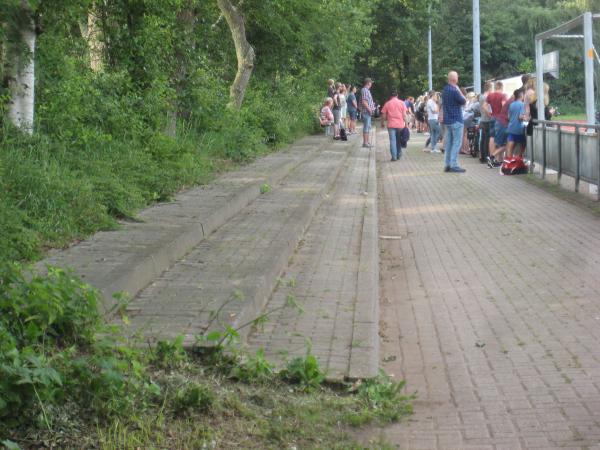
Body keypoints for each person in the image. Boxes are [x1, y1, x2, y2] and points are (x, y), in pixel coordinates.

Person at [441, 71, 467, 173]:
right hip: (456, 120)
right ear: (455, 79)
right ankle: (454, 165)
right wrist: (459, 90)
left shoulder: (445, 90)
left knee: (449, 144)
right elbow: (464, 101)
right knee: (456, 143)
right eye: (457, 77)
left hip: (448, 120)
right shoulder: (454, 90)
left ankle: (447, 165)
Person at [381, 90, 408, 161]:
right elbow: (404, 115)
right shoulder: (402, 103)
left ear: (390, 96)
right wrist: (406, 124)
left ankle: (394, 157)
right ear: (397, 95)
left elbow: (383, 115)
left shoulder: (387, 103)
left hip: (391, 125)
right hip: (400, 125)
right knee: (398, 140)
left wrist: (382, 123)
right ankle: (398, 154)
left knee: (392, 141)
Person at [486, 81, 506, 160]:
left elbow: (484, 105)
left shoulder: (490, 95)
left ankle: (491, 156)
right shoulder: (503, 95)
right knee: (500, 138)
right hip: (500, 118)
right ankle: (498, 158)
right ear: (501, 87)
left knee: (492, 136)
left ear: (495, 87)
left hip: (492, 116)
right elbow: (504, 105)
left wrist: (489, 113)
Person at [506, 89, 527, 158]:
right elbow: (520, 117)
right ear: (521, 96)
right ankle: (518, 162)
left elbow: (508, 117)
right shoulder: (522, 104)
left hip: (511, 127)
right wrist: (526, 118)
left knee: (510, 147)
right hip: (519, 129)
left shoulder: (511, 104)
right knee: (521, 147)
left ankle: (509, 161)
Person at [478, 82, 493, 163]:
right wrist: (490, 115)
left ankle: (482, 156)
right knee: (487, 139)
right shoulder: (486, 97)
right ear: (489, 88)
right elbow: (486, 108)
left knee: (483, 139)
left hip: (482, 119)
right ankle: (486, 156)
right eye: (491, 88)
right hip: (487, 120)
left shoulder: (481, 96)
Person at [361, 78, 375, 148]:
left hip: (368, 112)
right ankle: (365, 143)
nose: (371, 84)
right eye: (371, 82)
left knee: (368, 127)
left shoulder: (366, 90)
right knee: (366, 127)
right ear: (368, 83)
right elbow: (364, 102)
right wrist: (369, 109)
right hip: (366, 112)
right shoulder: (365, 90)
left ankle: (367, 142)